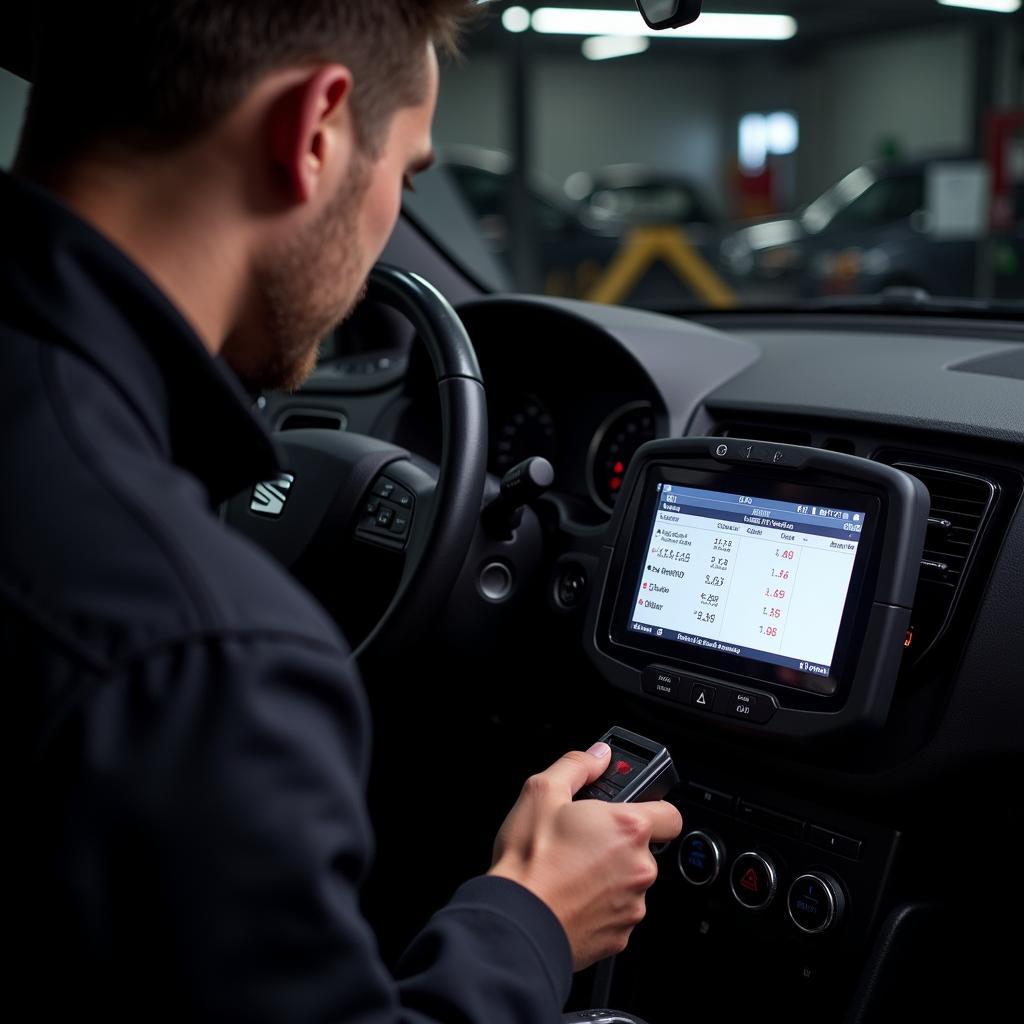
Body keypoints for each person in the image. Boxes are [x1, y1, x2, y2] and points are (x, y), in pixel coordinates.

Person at [3, 2, 683, 1021]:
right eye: (405, 177)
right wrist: (530, 916)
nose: (386, 229)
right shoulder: (205, 656)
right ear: (314, 130)